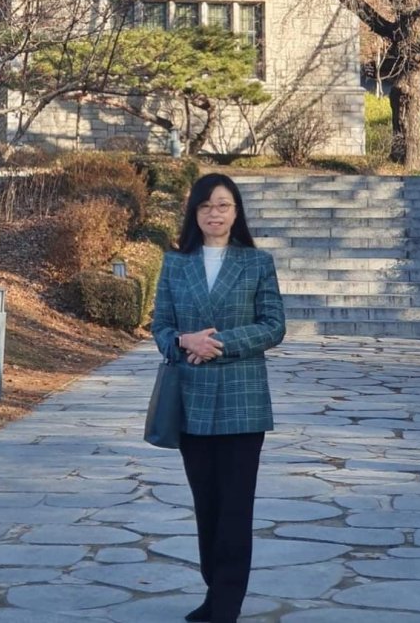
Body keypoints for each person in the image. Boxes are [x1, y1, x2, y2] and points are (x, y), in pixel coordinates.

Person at [151, 173, 286, 623]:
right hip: (191, 402)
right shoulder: (175, 263)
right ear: (194, 211)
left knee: (235, 506)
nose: (214, 212)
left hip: (243, 401)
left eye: (224, 205)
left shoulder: (257, 262)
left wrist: (220, 342)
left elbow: (274, 325)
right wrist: (186, 340)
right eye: (206, 205)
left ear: (236, 212)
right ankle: (214, 593)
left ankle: (227, 604)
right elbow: (161, 329)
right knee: (206, 506)